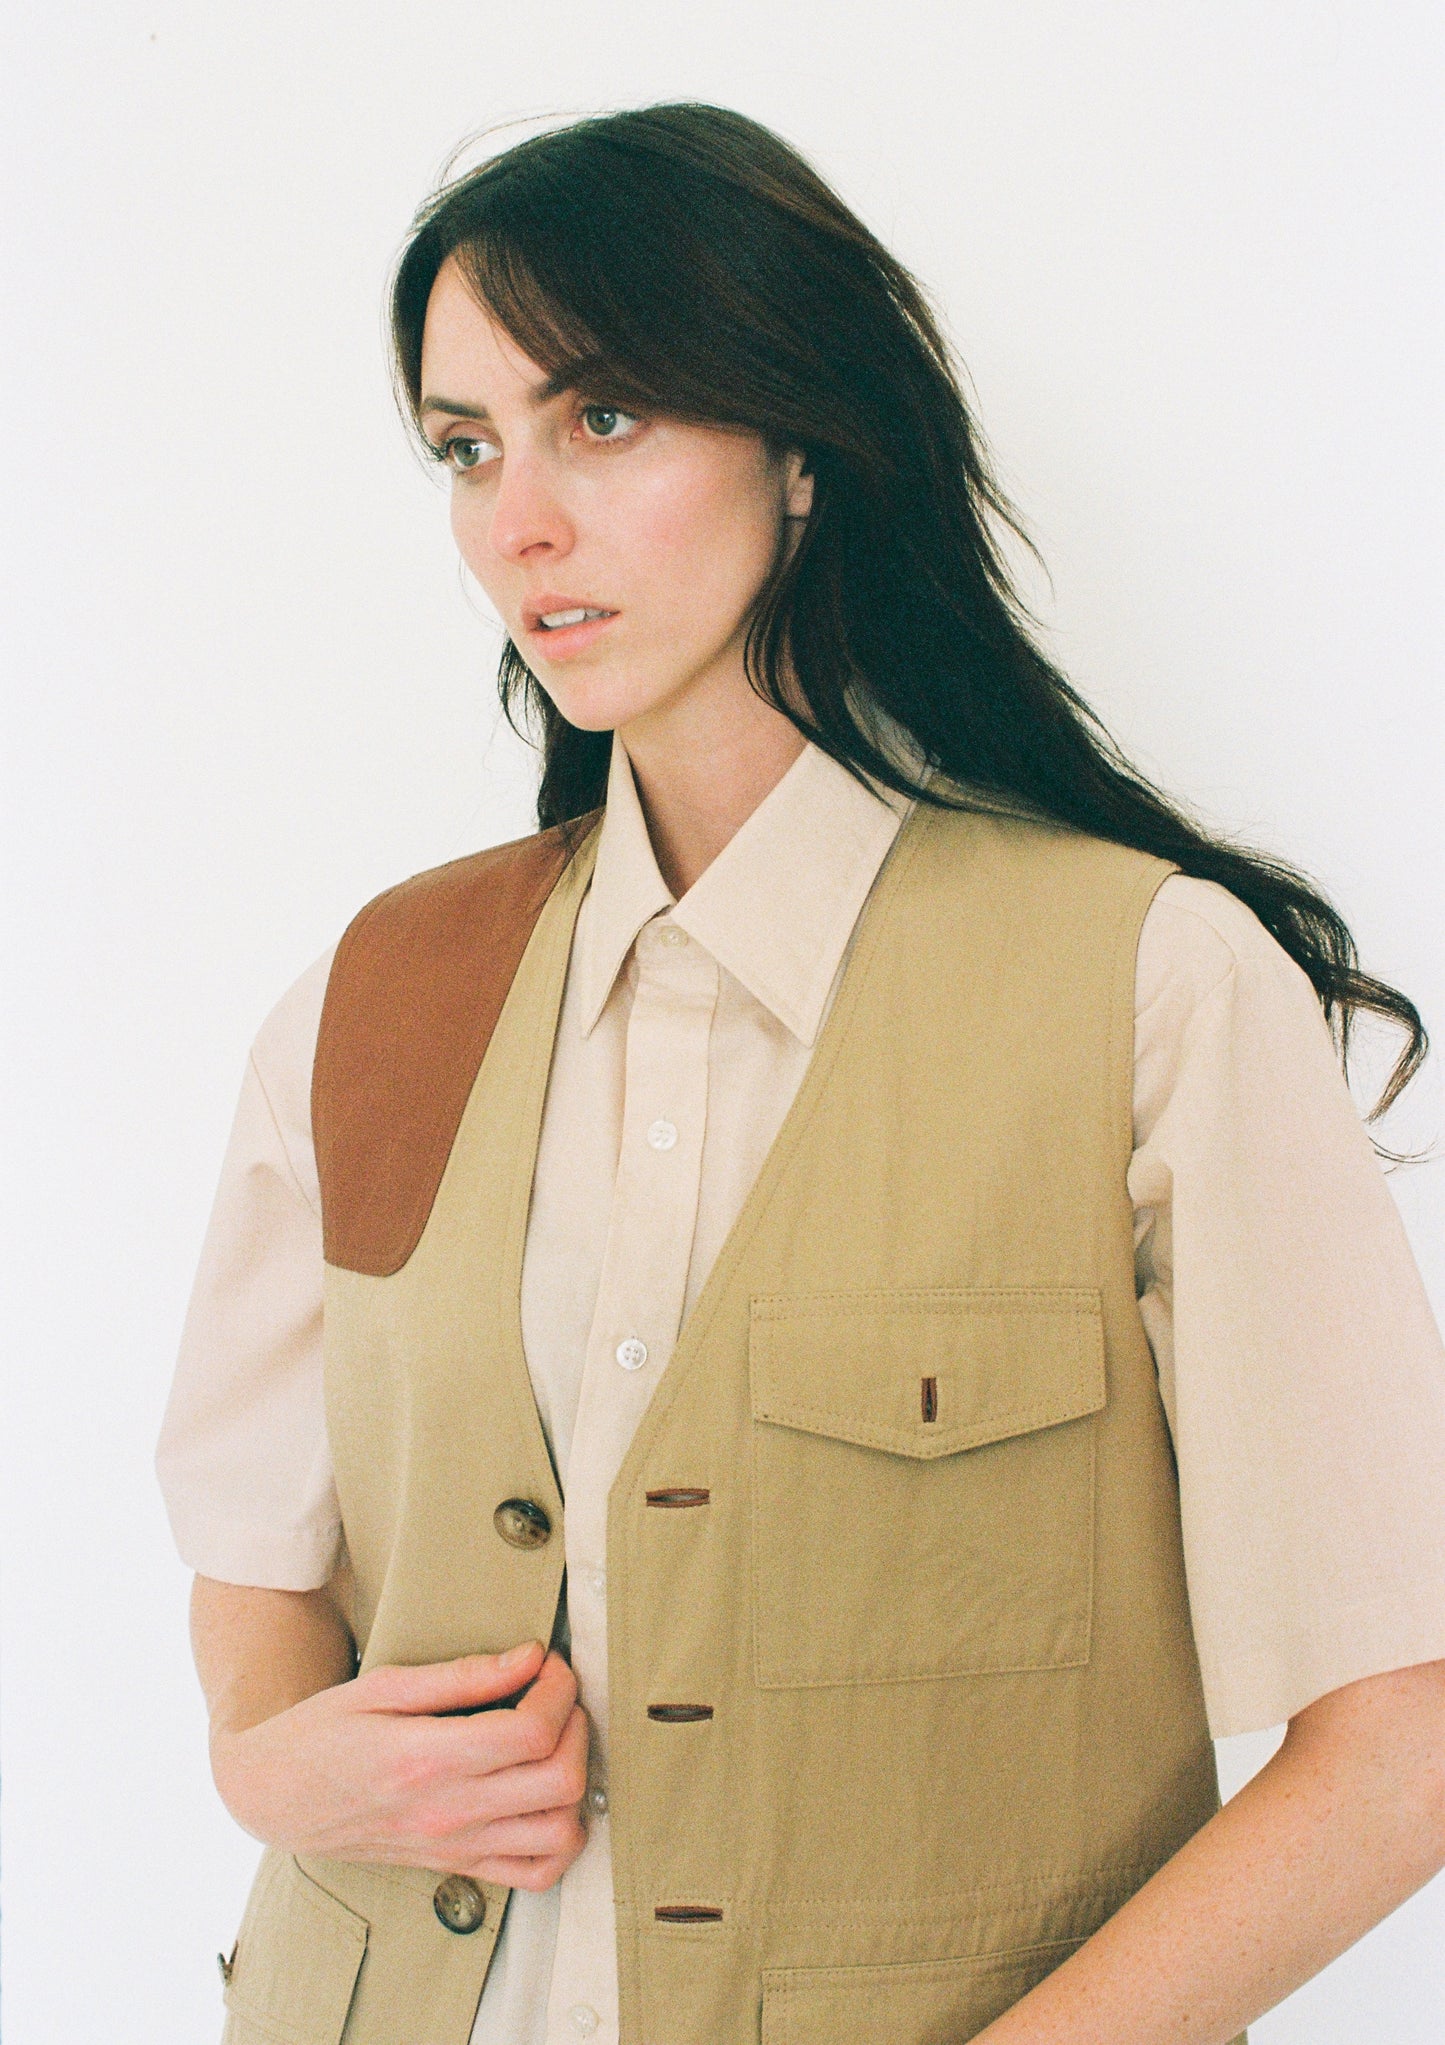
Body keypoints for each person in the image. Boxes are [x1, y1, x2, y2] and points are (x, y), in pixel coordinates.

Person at [156, 102, 1445, 2045]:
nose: (521, 519)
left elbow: (1400, 1741)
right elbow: (257, 1551)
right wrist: (272, 1764)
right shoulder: (380, 997)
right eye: (467, 445)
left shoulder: (1150, 991)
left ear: (805, 449)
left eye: (602, 418)